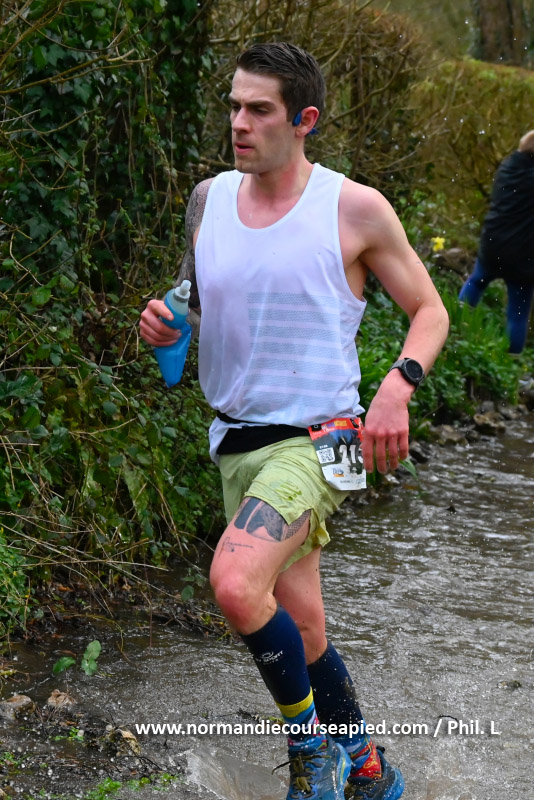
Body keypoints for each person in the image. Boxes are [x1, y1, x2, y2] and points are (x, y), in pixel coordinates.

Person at [140, 42, 448, 800]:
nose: (238, 123)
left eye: (259, 110)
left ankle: (312, 755)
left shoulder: (353, 208)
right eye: (233, 106)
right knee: (303, 630)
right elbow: (199, 309)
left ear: (304, 119)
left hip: (319, 440)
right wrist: (167, 330)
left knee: (235, 584)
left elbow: (430, 311)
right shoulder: (208, 199)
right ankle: (370, 772)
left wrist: (397, 387)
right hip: (234, 439)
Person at [459, 130, 534, 354]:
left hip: (493, 243)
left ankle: (454, 327)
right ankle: (511, 360)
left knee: (476, 282)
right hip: (523, 254)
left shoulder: (507, 168)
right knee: (518, 313)